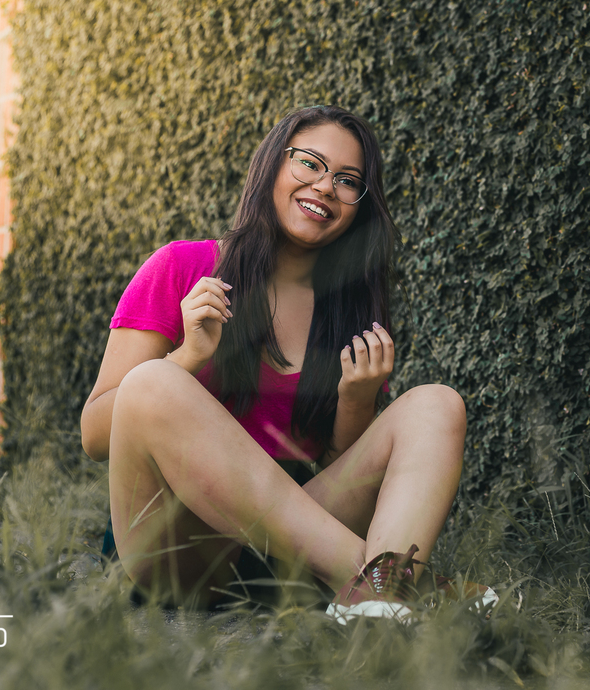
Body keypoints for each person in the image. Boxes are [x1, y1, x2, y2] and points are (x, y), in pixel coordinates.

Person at [80, 105, 473, 617]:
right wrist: (189, 356)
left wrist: (354, 402)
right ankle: (386, 583)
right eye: (309, 163)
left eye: (348, 180)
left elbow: (337, 470)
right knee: (152, 381)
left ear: (360, 205)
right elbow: (94, 436)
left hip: (289, 551)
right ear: (273, 164)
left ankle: (375, 605)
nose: (326, 186)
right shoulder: (181, 266)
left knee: (436, 405)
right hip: (179, 549)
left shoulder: (349, 307)